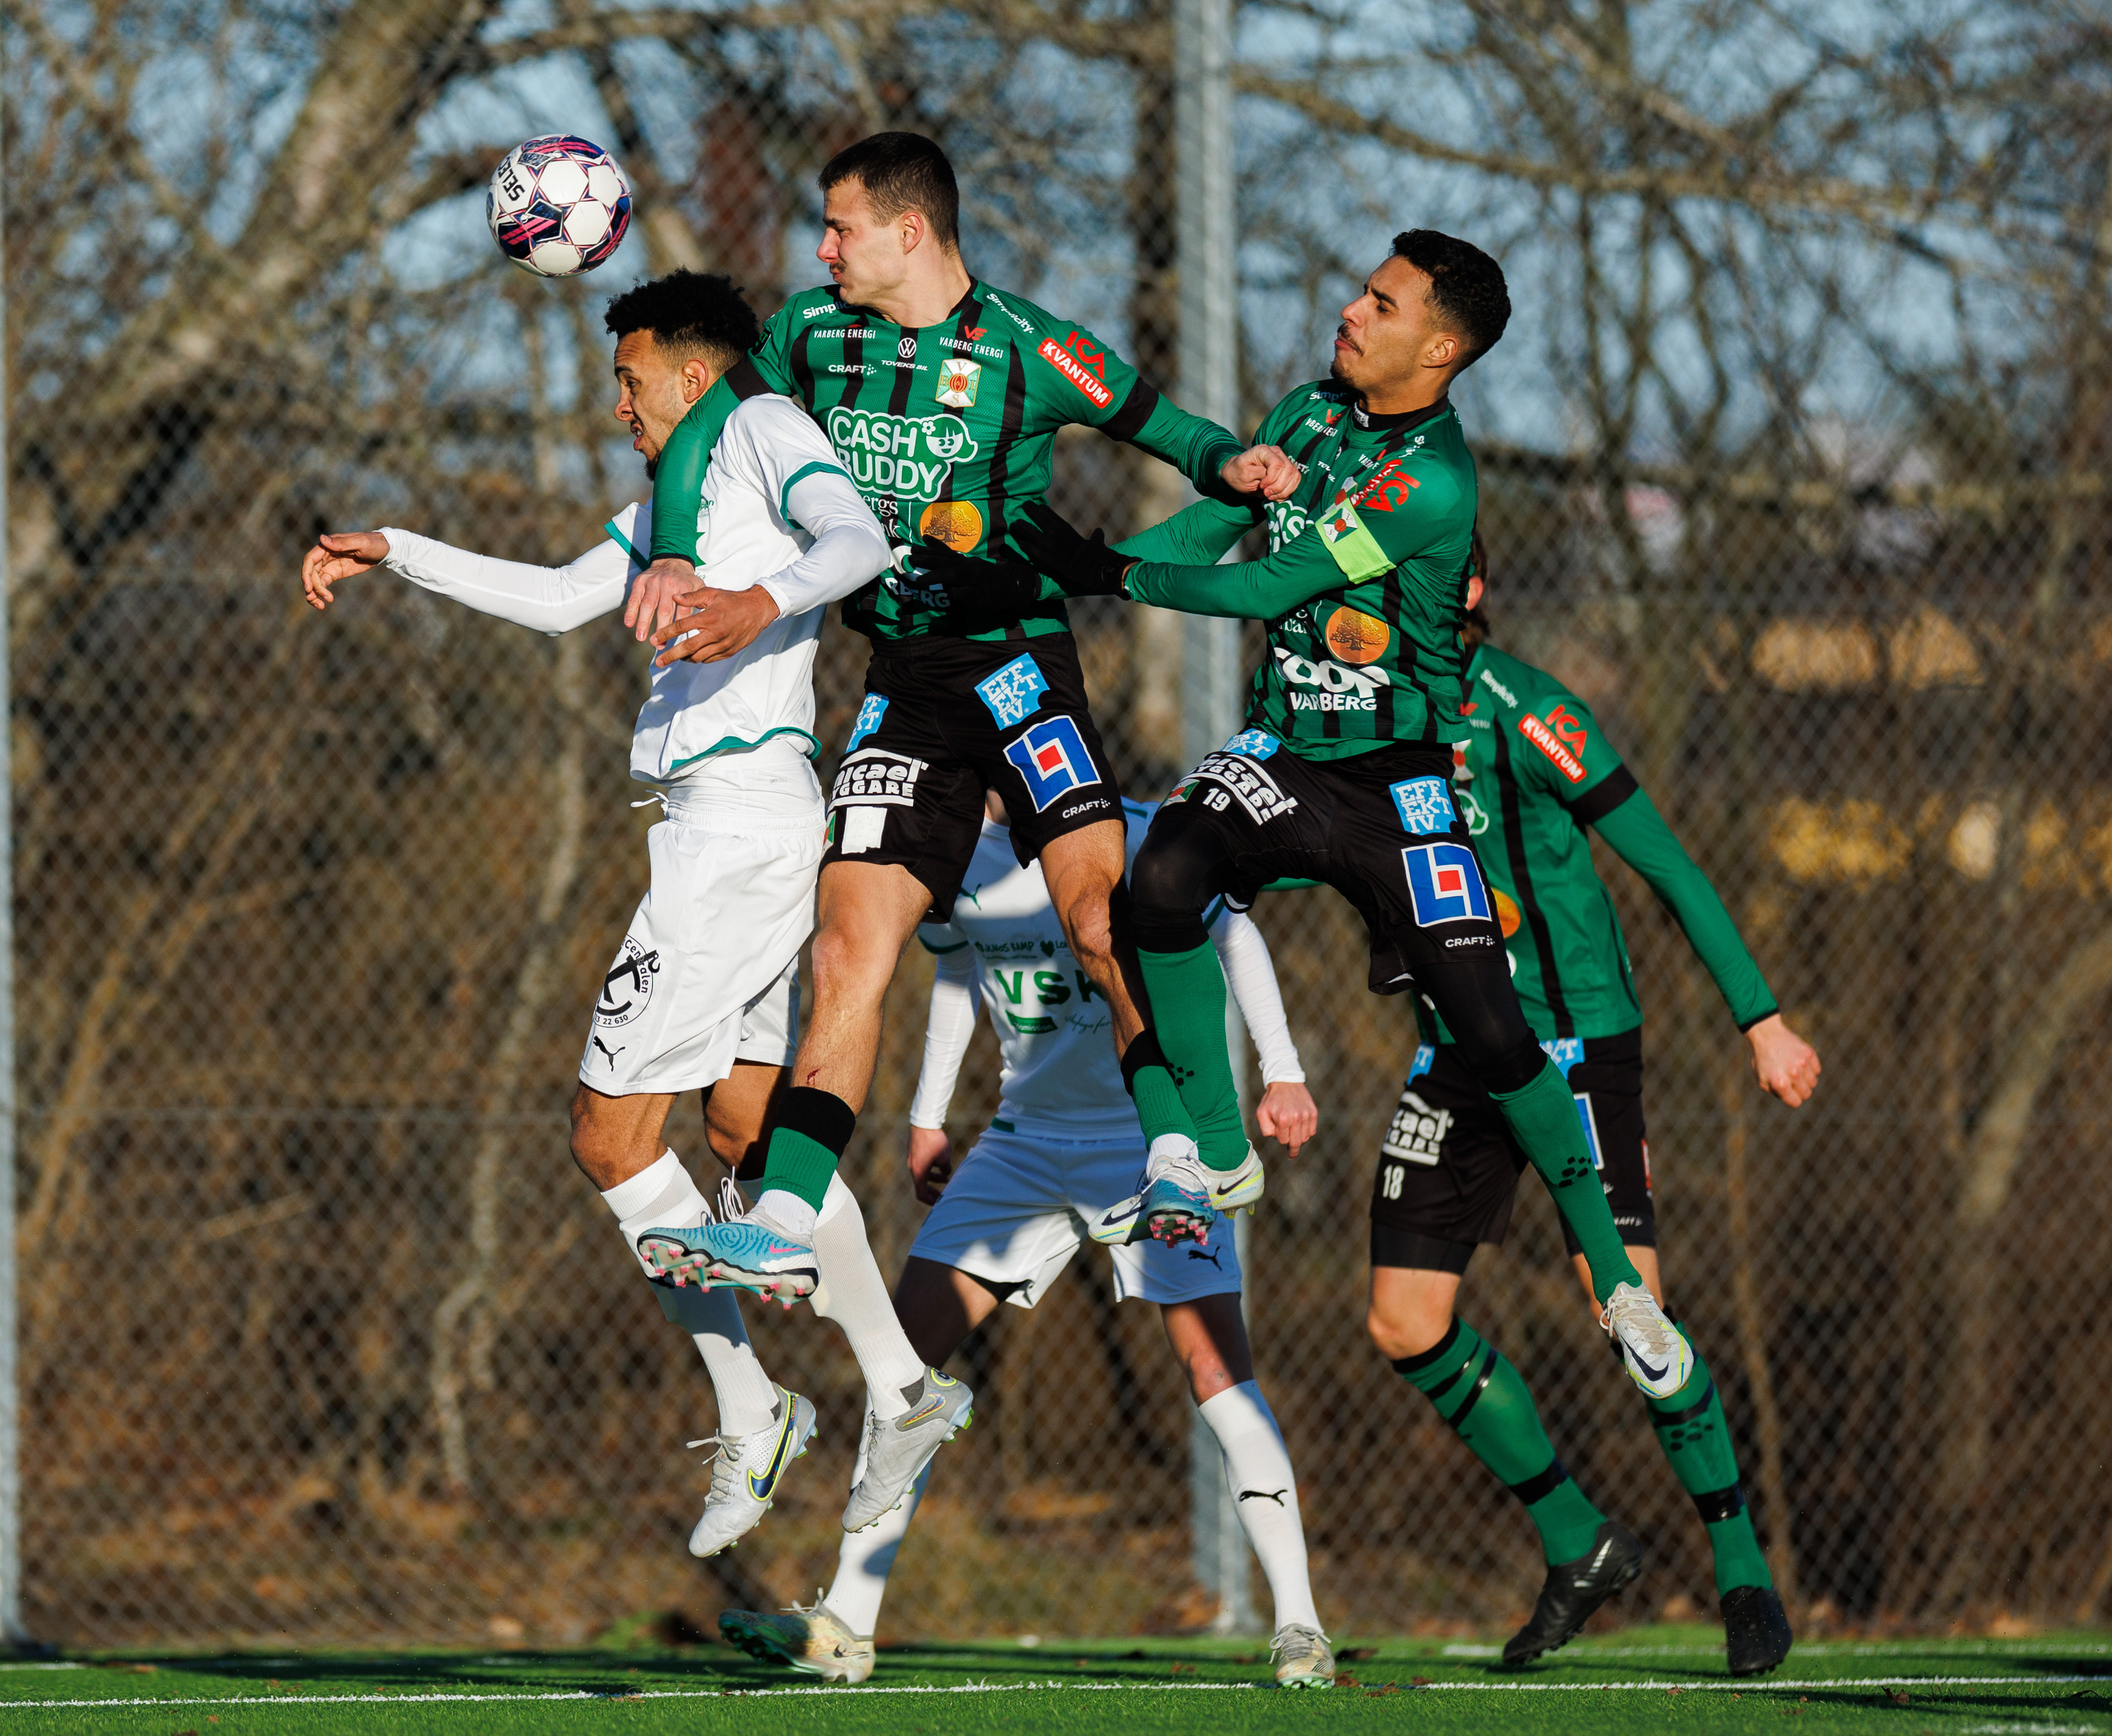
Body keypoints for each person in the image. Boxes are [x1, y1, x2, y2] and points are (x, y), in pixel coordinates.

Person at [939, 231, 1698, 1426]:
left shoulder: (1433, 478)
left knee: (1500, 1036)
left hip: (1398, 784)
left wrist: (1088, 570)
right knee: (1162, 877)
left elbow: (1259, 591)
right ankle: (1207, 1147)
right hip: (1283, 754)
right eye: (1359, 285)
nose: (1349, 307)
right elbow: (1207, 541)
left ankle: (1619, 1283)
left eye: (1381, 302)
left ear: (1438, 347)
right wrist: (1060, 573)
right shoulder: (1305, 411)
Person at [626, 134, 1299, 1374]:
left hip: (1019, 661)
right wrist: (673, 549)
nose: (820, 251)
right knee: (848, 940)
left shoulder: (1027, 344)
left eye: (838, 229)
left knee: (1099, 915)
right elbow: (700, 434)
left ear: (909, 234)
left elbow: (1158, 423)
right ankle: (781, 1211)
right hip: (904, 684)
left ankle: (1178, 1157)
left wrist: (1234, 463)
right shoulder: (809, 336)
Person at [298, 269, 934, 1556]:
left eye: (627, 377)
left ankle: (754, 1407)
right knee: (745, 1131)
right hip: (718, 831)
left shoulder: (760, 430)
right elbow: (555, 596)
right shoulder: (680, 490)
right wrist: (397, 550)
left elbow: (861, 540)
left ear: (691, 375)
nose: (616, 405)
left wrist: (759, 603)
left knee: (607, 1136)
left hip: (737, 834)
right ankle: (905, 1388)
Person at [715, 796, 1338, 1687]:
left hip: (1146, 1143)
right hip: (1022, 1142)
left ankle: (1299, 1628)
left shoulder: (1130, 829)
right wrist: (927, 1118)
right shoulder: (950, 847)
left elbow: (1235, 933)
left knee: (1215, 1368)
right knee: (905, 1361)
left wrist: (1282, 1072)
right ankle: (845, 1624)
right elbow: (959, 973)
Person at [1351, 563, 1815, 1673]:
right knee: (1403, 1321)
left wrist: (1761, 1016)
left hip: (1571, 1046)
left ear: (1468, 587)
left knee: (1632, 1318)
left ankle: (1743, 1573)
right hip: (1460, 1054)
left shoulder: (1533, 710)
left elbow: (1667, 865)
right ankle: (1578, 1540)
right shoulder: (1354, 718)